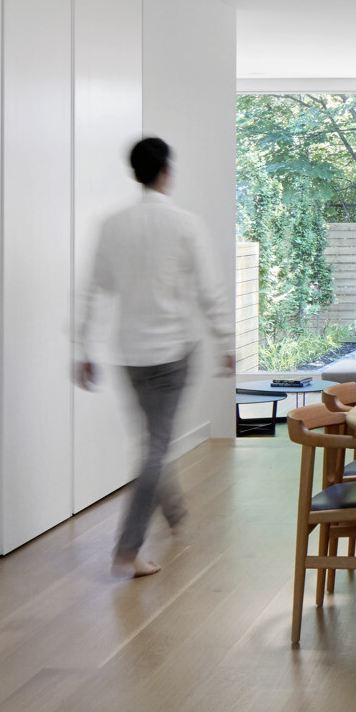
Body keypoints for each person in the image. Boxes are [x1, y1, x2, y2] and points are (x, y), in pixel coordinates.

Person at [75, 137, 234, 578]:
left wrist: (82, 348)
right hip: (172, 352)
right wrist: (226, 342)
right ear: (166, 171)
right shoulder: (184, 224)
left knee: (152, 440)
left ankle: (176, 510)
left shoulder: (112, 225)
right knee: (156, 445)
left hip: (129, 355)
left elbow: (93, 288)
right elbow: (209, 290)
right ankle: (127, 548)